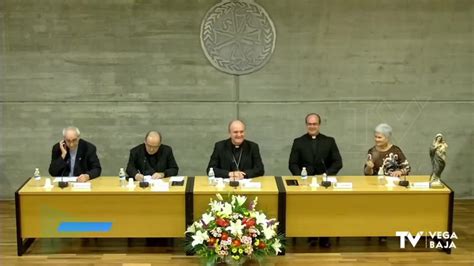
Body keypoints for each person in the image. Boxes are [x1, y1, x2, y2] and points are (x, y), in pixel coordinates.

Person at [288, 113, 342, 248]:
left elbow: (338, 162)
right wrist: (300, 176)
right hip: (305, 183)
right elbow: (292, 163)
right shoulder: (298, 142)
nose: (312, 126)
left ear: (319, 125)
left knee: (325, 210)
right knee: (309, 209)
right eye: (310, 124)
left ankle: (325, 236)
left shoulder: (329, 141)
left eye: (315, 124)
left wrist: (326, 174)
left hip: (325, 183)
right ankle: (311, 235)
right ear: (306, 125)